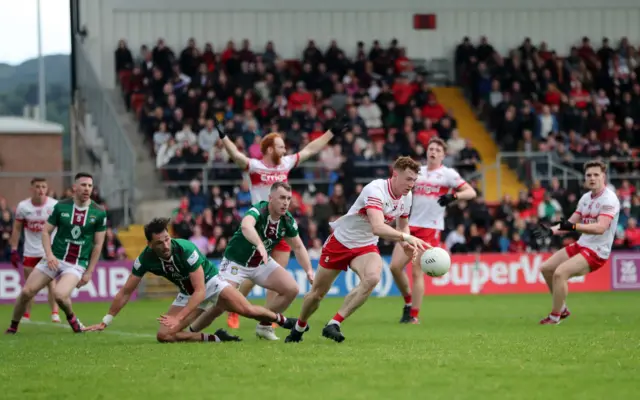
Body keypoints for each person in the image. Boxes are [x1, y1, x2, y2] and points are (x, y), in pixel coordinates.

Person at [216, 116, 346, 329]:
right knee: (251, 273)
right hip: (258, 229)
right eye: (280, 147)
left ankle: (267, 321)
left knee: (275, 279)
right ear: (268, 149)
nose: (285, 151)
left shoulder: (285, 164)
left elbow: (310, 150)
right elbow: (236, 156)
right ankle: (235, 309)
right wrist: (224, 137)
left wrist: (331, 132)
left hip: (280, 227)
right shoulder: (255, 167)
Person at [82, 218, 302, 342]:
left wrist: (180, 319)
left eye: (167, 239)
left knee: (249, 311)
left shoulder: (186, 249)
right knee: (163, 336)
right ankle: (215, 339)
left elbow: (200, 291)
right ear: (150, 245)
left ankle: (284, 321)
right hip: (187, 293)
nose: (166, 245)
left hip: (211, 285)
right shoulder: (145, 260)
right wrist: (106, 320)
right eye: (160, 243)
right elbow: (126, 292)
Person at [285, 156, 430, 343]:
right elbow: (378, 226)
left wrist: (405, 244)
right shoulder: (375, 190)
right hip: (341, 242)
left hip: (366, 246)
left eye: (414, 180)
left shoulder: (406, 196)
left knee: (372, 278)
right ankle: (299, 327)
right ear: (395, 175)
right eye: (408, 179)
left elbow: (402, 226)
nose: (411, 184)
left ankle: (334, 323)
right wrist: (406, 237)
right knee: (317, 294)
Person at [187, 182, 314, 340]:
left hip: (260, 264)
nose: (286, 202)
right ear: (270, 198)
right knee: (220, 304)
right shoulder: (258, 210)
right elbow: (247, 226)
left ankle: (264, 325)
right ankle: (191, 332)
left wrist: (308, 270)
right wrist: (259, 244)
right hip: (235, 263)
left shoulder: (287, 220)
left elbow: (298, 246)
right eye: (282, 198)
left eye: (288, 198)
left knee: (292, 289)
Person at [5, 173, 107, 334]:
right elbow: (46, 232)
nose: (87, 188)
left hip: (76, 263)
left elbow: (98, 244)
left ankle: (71, 318)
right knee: (26, 292)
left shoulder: (99, 212)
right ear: (75, 187)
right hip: (55, 258)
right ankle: (13, 326)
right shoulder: (61, 206)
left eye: (89, 186)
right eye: (83, 185)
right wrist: (50, 255)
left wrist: (89, 272)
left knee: (59, 294)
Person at [389, 138, 477, 324]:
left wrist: (453, 196)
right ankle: (407, 302)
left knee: (416, 271)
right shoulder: (417, 172)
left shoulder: (448, 174)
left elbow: (471, 192)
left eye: (438, 149)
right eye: (431, 148)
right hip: (410, 226)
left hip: (431, 228)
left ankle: (414, 316)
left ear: (443, 155)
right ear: (427, 151)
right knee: (395, 267)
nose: (434, 151)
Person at [533, 160, 620, 325]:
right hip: (583, 244)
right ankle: (563, 308)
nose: (592, 178)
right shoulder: (586, 198)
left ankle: (555, 317)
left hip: (597, 251)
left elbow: (601, 228)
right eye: (589, 175)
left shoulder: (609, 199)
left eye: (596, 175)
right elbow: (570, 222)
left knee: (560, 273)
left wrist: (573, 226)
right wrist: (551, 230)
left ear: (604, 177)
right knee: (546, 269)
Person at [10, 178, 61, 323]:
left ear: (47, 188)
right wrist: (14, 249)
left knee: (51, 283)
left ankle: (54, 313)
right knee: (29, 286)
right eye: (37, 187)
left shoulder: (54, 205)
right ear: (31, 189)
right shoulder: (23, 206)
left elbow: (61, 226)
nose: (40, 190)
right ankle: (27, 315)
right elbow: (17, 228)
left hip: (48, 251)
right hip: (30, 251)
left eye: (43, 186)